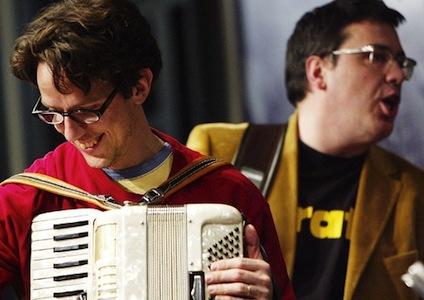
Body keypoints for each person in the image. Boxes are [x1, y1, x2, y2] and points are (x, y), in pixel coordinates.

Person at [0, 0, 295, 299]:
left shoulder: (230, 194)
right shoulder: (25, 200)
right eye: (53, 114)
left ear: (140, 87)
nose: (70, 132)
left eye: (86, 111)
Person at [187, 0, 424, 299]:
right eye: (377, 56)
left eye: (402, 63)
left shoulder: (413, 191)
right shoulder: (222, 152)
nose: (398, 75)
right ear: (317, 71)